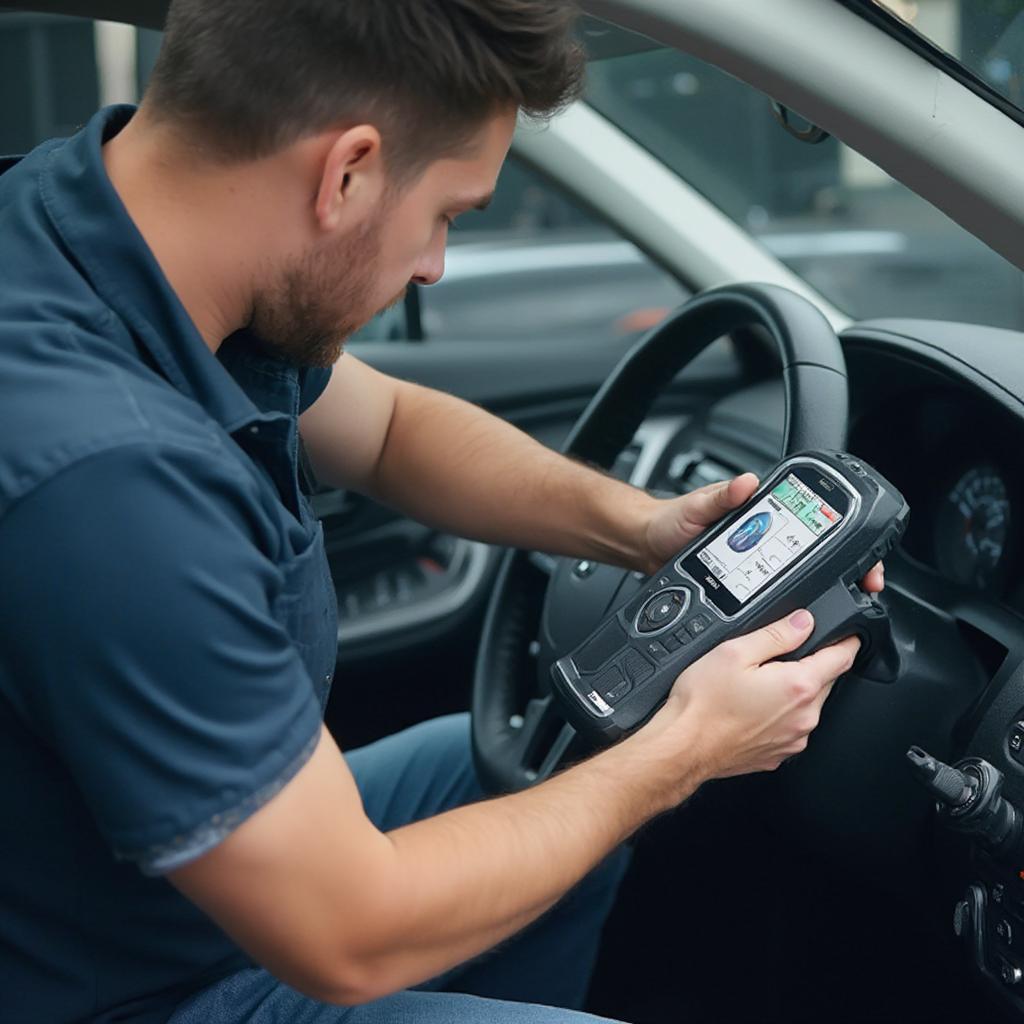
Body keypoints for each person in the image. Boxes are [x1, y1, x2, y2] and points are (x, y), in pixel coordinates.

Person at [0, 2, 883, 1022]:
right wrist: (685, 748)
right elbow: (350, 934)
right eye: (450, 213)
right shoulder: (107, 481)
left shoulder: (82, 226)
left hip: (135, 896)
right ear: (348, 173)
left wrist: (641, 526)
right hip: (130, 990)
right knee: (606, 778)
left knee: (540, 768)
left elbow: (386, 429)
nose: (433, 267)